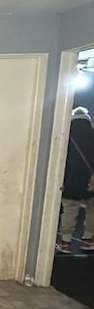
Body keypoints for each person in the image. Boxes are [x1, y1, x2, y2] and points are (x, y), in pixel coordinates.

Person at [57, 106, 94, 253]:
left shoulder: (66, 136)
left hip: (71, 179)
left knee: (69, 210)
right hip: (91, 181)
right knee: (92, 210)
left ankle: (65, 242)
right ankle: (88, 240)